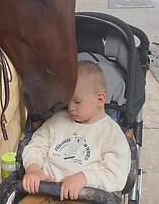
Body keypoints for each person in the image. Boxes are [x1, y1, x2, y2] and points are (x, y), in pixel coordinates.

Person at [20, 60, 131, 203]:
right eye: (68, 101)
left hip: (83, 196)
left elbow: (116, 174)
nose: (70, 107)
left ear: (99, 99)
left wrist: (84, 178)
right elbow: (36, 146)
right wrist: (33, 169)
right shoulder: (58, 121)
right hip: (44, 190)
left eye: (77, 102)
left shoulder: (111, 133)